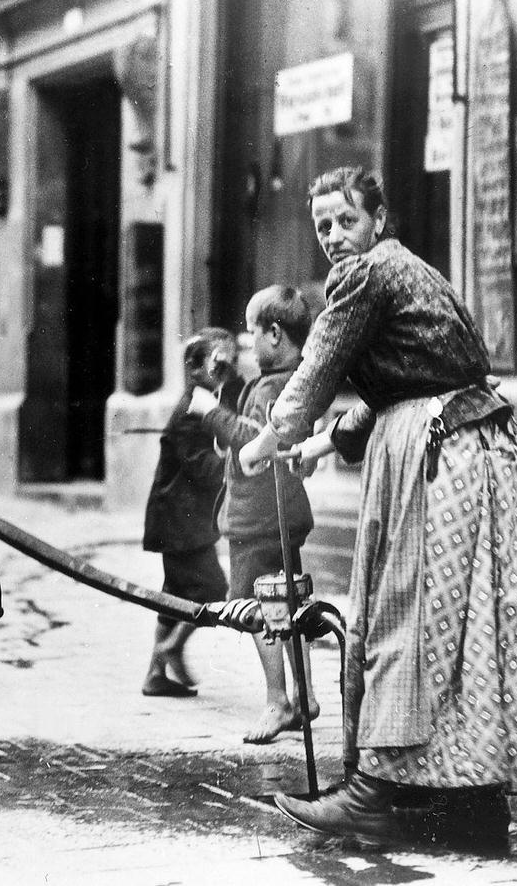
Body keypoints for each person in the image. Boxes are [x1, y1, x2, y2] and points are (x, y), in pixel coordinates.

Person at [238, 166, 517, 848]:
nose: (335, 236)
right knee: (465, 629)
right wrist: (322, 442)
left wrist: (271, 437)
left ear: (377, 219)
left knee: (408, 613)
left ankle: (371, 798)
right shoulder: (410, 270)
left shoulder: (364, 275)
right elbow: (402, 378)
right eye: (323, 226)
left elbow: (318, 367)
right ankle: (472, 803)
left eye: (345, 220)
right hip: (471, 447)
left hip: (439, 456)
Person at [188, 285, 318, 744]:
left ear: (276, 335)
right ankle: (303, 694)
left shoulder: (273, 386)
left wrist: (211, 414)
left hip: (259, 519)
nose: (248, 344)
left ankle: (278, 701)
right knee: (292, 605)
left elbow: (261, 435)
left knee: (264, 612)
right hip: (281, 515)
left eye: (253, 334)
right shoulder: (296, 381)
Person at [140, 328, 241, 697]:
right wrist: (236, 462)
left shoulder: (206, 400)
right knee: (213, 588)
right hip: (179, 520)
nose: (226, 372)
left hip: (181, 520)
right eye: (219, 364)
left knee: (175, 594)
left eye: (231, 363)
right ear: (195, 367)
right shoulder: (191, 408)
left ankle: (155, 673)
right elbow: (201, 466)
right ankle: (173, 648)